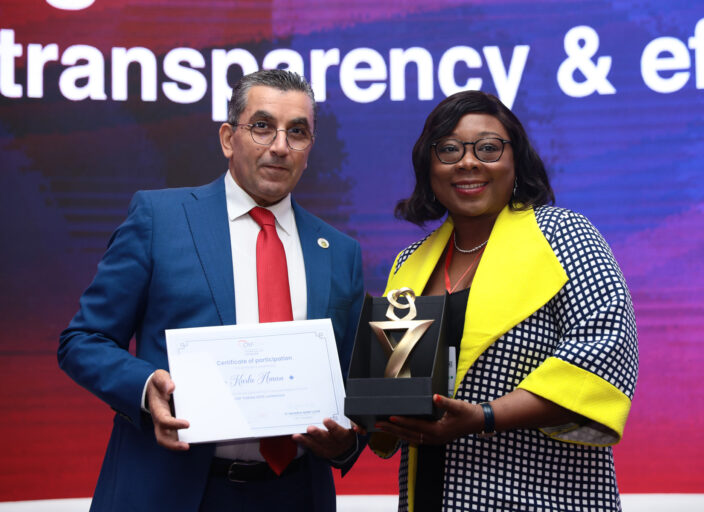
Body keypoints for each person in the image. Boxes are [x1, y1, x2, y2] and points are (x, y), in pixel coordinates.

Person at [58, 69, 365, 512]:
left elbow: (354, 389)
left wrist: (347, 441)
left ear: (309, 148)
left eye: (297, 132)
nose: (280, 146)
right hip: (172, 490)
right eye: (262, 126)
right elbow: (83, 340)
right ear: (227, 138)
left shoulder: (339, 252)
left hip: (296, 493)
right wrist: (144, 388)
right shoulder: (159, 219)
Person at [372, 90, 638, 511]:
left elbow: (605, 351)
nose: (468, 162)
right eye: (449, 149)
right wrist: (358, 424)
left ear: (516, 162)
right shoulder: (410, 263)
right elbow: (392, 391)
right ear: (429, 166)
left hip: (543, 499)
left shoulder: (563, 236)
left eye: (488, 148)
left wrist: (486, 416)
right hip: (430, 495)